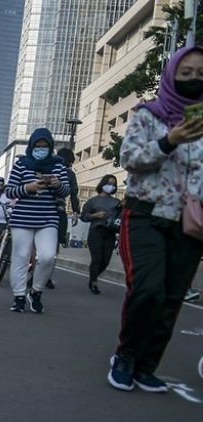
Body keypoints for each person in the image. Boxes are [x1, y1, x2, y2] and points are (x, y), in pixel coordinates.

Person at [107, 47, 203, 393]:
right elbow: (130, 158)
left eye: (200, 73)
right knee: (148, 289)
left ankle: (148, 366)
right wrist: (169, 140)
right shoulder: (150, 116)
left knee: (171, 298)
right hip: (146, 215)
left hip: (190, 224)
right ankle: (126, 356)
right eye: (187, 72)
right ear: (172, 73)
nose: (194, 79)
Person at [5, 127, 69, 313]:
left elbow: (66, 191)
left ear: (51, 147)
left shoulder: (59, 165)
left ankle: (36, 291)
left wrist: (58, 185)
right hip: (22, 218)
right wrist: (29, 188)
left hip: (48, 218)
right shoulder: (21, 164)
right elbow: (10, 191)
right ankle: (18, 296)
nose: (41, 149)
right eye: (37, 146)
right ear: (31, 145)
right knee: (21, 257)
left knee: (48, 256)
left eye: (45, 146)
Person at [80, 174, 121, 295]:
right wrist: (95, 216)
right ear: (103, 184)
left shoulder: (117, 202)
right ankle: (94, 283)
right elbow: (84, 216)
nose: (111, 186)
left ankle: (93, 276)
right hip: (96, 231)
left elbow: (120, 217)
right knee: (96, 258)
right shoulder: (93, 201)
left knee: (106, 260)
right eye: (109, 183)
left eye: (113, 185)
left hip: (110, 233)